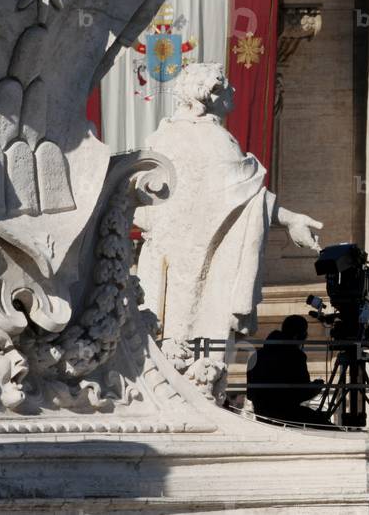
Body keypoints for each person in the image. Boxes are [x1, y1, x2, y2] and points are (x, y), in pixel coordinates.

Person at [135, 63, 323, 359]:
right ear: (211, 95)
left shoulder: (161, 137)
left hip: (162, 264)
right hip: (200, 269)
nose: (234, 91)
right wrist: (290, 219)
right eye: (227, 87)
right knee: (197, 346)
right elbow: (248, 196)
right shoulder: (216, 140)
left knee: (164, 343)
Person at [247, 315, 329, 426]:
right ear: (297, 336)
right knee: (330, 429)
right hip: (287, 416)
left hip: (262, 415)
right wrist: (316, 387)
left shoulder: (255, 356)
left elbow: (250, 394)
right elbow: (301, 393)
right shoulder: (296, 356)